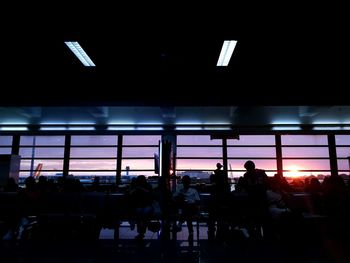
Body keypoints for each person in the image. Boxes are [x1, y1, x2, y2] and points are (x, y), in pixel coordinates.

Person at [207, 163, 230, 241]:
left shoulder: (214, 177)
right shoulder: (223, 180)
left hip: (215, 199)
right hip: (221, 199)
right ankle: (220, 230)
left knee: (212, 215)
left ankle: (212, 230)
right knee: (220, 216)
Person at [173, 175, 200, 240]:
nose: (186, 183)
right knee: (188, 213)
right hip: (188, 208)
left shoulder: (192, 190)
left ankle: (179, 225)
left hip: (191, 207)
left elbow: (197, 202)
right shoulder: (192, 191)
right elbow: (198, 200)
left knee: (187, 209)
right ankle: (190, 232)